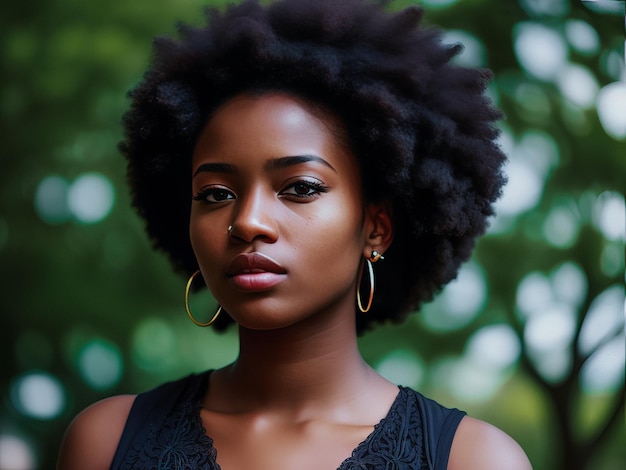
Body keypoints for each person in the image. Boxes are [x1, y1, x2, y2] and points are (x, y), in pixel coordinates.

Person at [58, 0, 532, 468]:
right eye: (216, 193)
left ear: (376, 227)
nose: (247, 222)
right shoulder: (105, 443)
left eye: (300, 187)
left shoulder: (472, 459)